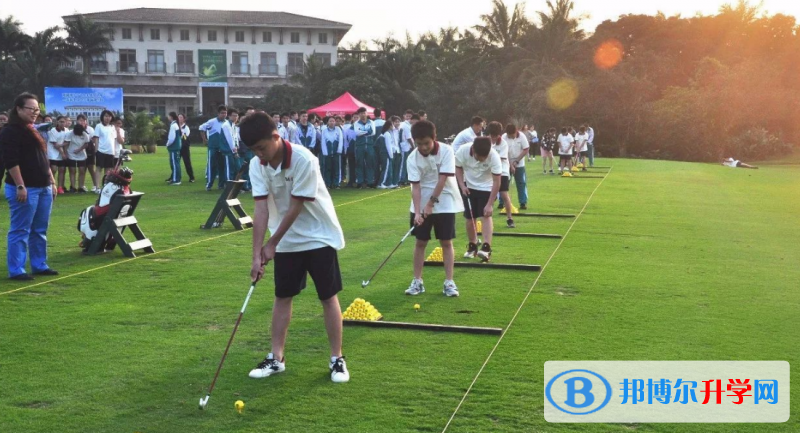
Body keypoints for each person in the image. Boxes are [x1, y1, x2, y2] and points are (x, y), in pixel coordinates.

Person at [240, 112, 349, 383]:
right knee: (282, 296)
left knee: (327, 296)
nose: (259, 155)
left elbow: (296, 206)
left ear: (276, 136)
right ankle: (276, 358)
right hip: (286, 240)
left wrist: (272, 243)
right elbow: (261, 209)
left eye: (262, 147)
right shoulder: (258, 164)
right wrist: (257, 255)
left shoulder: (303, 159)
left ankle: (337, 358)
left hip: (318, 235)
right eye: (254, 150)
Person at [1, 92, 59, 281]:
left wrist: (51, 180)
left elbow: (43, 158)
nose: (35, 112)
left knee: (40, 229)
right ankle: (17, 269)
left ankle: (39, 264)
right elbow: (11, 161)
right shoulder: (10, 131)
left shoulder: (32, 129)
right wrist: (20, 185)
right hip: (25, 189)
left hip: (43, 187)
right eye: (31, 109)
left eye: (37, 109)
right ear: (18, 109)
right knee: (20, 229)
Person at [405, 120, 463, 297]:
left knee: (446, 242)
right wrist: (417, 211)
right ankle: (417, 281)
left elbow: (442, 179)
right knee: (420, 242)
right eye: (419, 144)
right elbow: (415, 187)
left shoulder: (446, 151)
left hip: (445, 200)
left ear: (434, 138)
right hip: (421, 201)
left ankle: (449, 282)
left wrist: (430, 204)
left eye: (426, 143)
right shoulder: (412, 158)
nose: (423, 147)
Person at [455, 136, 501, 262]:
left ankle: (486, 248)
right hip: (468, 187)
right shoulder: (463, 151)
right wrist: (462, 185)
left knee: (485, 215)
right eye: (479, 157)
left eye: (484, 157)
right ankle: (473, 246)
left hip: (487, 188)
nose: (482, 160)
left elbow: (497, 181)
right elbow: (458, 167)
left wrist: (490, 204)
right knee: (470, 218)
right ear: (473, 150)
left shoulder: (494, 156)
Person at [199, 105, 236, 191]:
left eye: (225, 113)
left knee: (222, 166)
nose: (224, 115)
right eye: (222, 113)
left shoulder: (227, 123)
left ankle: (221, 184)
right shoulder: (212, 122)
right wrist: (204, 139)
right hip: (213, 147)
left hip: (222, 148)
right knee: (212, 165)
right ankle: (209, 184)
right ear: (218, 113)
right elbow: (201, 128)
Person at [486, 122, 514, 228]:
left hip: (502, 171)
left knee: (504, 195)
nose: (493, 138)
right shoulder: (486, 141)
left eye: (495, 135)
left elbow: (500, 158)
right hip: (490, 172)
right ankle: (488, 219)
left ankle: (510, 219)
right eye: (492, 135)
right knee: (490, 196)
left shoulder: (503, 143)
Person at [92, 110, 122, 189]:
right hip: (100, 151)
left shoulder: (113, 127)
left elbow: (115, 140)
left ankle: (105, 187)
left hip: (110, 152)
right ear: (102, 117)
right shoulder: (99, 126)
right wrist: (96, 151)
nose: (107, 118)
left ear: (111, 118)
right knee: (98, 169)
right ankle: (97, 187)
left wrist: (115, 152)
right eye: (105, 116)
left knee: (108, 170)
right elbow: (96, 139)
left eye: (109, 116)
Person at [503, 124, 530, 210]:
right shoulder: (504, 137)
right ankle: (502, 202)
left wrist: (517, 161)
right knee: (504, 183)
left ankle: (523, 202)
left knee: (521, 183)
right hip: (506, 163)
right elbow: (503, 152)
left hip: (520, 163)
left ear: (516, 131)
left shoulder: (522, 136)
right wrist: (510, 164)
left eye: (512, 134)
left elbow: (526, 149)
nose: (510, 136)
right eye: (509, 135)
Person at [353, 107, 375, 189]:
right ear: (359, 114)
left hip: (369, 145)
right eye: (361, 113)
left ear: (367, 113)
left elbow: (373, 132)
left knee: (370, 163)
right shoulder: (356, 123)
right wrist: (367, 131)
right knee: (359, 163)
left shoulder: (371, 122)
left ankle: (370, 182)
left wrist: (363, 131)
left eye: (364, 113)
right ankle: (360, 182)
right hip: (360, 145)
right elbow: (357, 133)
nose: (363, 115)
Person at [65, 123, 90, 192]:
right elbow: (66, 143)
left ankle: (81, 187)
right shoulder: (70, 133)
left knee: (82, 171)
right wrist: (66, 153)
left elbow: (86, 144)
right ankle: (73, 187)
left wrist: (80, 149)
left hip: (81, 154)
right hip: (71, 153)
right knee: (72, 171)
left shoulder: (85, 134)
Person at [320, 116, 344, 189]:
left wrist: (339, 150)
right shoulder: (324, 131)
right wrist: (325, 152)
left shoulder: (338, 130)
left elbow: (340, 140)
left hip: (336, 151)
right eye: (330, 121)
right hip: (328, 151)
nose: (332, 122)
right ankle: (328, 184)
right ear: (327, 122)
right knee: (328, 168)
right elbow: (323, 142)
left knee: (336, 168)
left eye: (333, 121)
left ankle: (336, 183)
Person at [76, 114, 98, 192]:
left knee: (91, 168)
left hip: (89, 151)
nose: (82, 122)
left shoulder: (90, 129)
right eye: (80, 120)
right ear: (77, 121)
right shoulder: (75, 130)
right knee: (82, 169)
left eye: (84, 120)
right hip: (80, 151)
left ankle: (96, 186)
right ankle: (81, 187)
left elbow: (93, 140)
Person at [379, 116, 401, 189]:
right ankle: (384, 183)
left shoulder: (397, 130)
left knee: (392, 169)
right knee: (387, 169)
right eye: (393, 123)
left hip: (395, 151)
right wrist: (391, 155)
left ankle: (391, 183)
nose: (396, 124)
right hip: (390, 153)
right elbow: (389, 145)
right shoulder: (388, 133)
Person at [47, 116, 68, 194]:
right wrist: (63, 153)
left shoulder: (67, 130)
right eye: (60, 121)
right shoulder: (52, 131)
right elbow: (55, 145)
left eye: (63, 122)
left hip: (61, 153)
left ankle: (60, 187)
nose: (62, 123)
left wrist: (64, 152)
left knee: (62, 170)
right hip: (52, 153)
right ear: (57, 122)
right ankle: (51, 186)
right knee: (53, 170)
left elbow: (67, 142)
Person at [166, 112, 183, 185]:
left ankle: (176, 180)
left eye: (169, 116)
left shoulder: (173, 125)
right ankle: (174, 178)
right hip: (176, 147)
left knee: (174, 164)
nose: (168, 117)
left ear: (171, 117)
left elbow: (171, 138)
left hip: (174, 148)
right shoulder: (176, 125)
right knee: (175, 163)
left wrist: (167, 144)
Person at [177, 114, 195, 183]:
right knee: (176, 163)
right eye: (178, 117)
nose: (179, 119)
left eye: (181, 117)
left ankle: (191, 177)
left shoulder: (186, 128)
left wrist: (181, 133)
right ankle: (174, 176)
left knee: (187, 163)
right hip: (178, 147)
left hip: (184, 147)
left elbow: (185, 137)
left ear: (184, 119)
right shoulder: (176, 127)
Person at [342, 115, 357, 187]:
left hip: (359, 150)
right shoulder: (348, 129)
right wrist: (345, 150)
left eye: (357, 117)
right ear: (352, 119)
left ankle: (358, 181)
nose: (356, 119)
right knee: (351, 166)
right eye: (355, 117)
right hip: (351, 150)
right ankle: (351, 181)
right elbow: (345, 141)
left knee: (359, 165)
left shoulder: (362, 128)